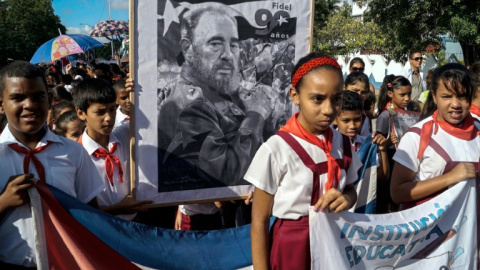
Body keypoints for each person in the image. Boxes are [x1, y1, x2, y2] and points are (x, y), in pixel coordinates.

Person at [246, 52, 361, 270]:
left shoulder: (343, 143)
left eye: (336, 98)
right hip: (293, 246)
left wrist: (346, 198)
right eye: (317, 99)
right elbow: (259, 222)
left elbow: (351, 189)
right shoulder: (276, 148)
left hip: (334, 238)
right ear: (295, 95)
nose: (329, 110)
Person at [0, 61, 104, 268]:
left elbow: (92, 215)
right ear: (1, 104)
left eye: (38, 96)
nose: (30, 105)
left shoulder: (73, 152)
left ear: (48, 99)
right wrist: (4, 202)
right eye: (18, 98)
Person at [390, 63, 479, 210]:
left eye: (462, 96)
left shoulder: (477, 129)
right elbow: (397, 192)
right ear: (434, 96)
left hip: (472, 229)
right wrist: (449, 178)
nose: (455, 104)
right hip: (433, 231)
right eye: (447, 96)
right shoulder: (417, 136)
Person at [75, 78, 151, 220]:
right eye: (100, 112)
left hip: (137, 223)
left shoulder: (125, 134)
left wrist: (143, 88)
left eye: (112, 109)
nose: (109, 118)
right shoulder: (77, 155)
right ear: (81, 113)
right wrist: (119, 209)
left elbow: (151, 115)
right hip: (103, 231)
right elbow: (82, 210)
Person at [334, 91, 389, 181]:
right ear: (335, 120)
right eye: (346, 121)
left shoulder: (367, 144)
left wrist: (383, 150)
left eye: (357, 119)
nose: (352, 126)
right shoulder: (330, 145)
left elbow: (382, 176)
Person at [344, 72, 371, 136]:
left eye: (363, 92)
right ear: (344, 88)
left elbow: (364, 142)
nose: (359, 95)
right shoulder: (333, 113)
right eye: (355, 91)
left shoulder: (364, 119)